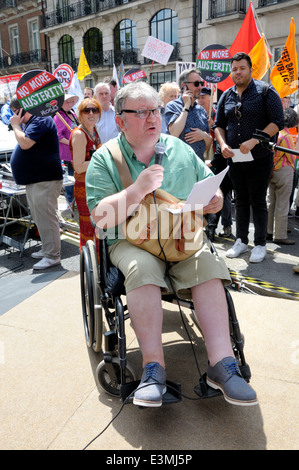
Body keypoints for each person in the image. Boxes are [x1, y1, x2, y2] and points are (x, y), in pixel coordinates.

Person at [85, 81, 258, 408]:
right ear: (121, 121)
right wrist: (137, 190)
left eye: (155, 110)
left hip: (181, 236)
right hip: (131, 241)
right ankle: (153, 369)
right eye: (142, 112)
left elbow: (209, 186)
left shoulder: (178, 149)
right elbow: (101, 218)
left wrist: (215, 200)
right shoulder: (105, 159)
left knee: (208, 264)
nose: (152, 118)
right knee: (143, 269)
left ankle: (221, 366)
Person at [214, 52, 284, 263]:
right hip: (234, 158)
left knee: (258, 200)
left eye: (241, 68)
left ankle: (260, 244)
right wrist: (223, 144)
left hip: (260, 157)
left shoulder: (265, 91)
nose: (237, 72)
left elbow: (277, 121)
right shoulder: (226, 95)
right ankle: (241, 240)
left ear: (250, 69)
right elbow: (218, 125)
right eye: (234, 69)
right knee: (240, 201)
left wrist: (254, 140)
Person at [9, 95, 63, 269]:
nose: (13, 117)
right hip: (36, 179)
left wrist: (16, 126)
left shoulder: (40, 120)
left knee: (47, 218)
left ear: (22, 109)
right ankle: (48, 249)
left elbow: (25, 143)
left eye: (15, 113)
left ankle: (52, 255)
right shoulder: (33, 123)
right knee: (40, 217)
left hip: (45, 179)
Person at [69, 98, 101, 249]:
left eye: (94, 110)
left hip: (96, 185)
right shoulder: (79, 134)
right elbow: (79, 166)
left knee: (98, 225)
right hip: (85, 187)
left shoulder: (94, 130)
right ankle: (89, 263)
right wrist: (103, 159)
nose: (91, 113)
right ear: (79, 114)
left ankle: (99, 262)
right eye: (86, 110)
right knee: (88, 227)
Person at [164, 68, 212, 162]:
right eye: (196, 84)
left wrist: (204, 136)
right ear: (184, 85)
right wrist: (186, 105)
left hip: (198, 164)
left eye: (201, 84)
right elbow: (174, 133)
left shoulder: (201, 110)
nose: (199, 87)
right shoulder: (173, 106)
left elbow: (207, 147)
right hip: (179, 165)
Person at [267, 108, 298, 245]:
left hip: (272, 170)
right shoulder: (287, 136)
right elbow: (292, 157)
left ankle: (268, 230)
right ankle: (279, 234)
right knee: (283, 204)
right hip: (284, 171)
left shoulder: (275, 133)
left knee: (271, 202)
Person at [53, 94, 79, 204]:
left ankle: (76, 200)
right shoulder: (59, 116)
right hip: (68, 152)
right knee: (70, 178)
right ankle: (70, 201)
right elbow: (58, 136)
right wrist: (72, 143)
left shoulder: (73, 113)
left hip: (77, 150)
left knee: (77, 177)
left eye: (71, 101)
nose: (69, 103)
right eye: (67, 101)